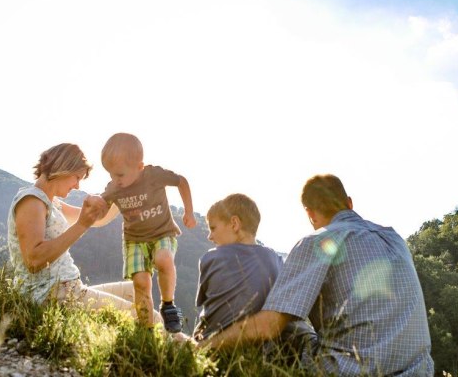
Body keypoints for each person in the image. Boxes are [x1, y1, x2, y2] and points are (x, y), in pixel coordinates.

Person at [199, 174, 434, 376]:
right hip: (419, 370)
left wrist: (202, 347)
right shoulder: (395, 239)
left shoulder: (318, 242)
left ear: (310, 213)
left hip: (346, 371)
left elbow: (268, 327)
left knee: (288, 323)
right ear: (349, 203)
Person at [7, 143, 161, 322]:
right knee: (152, 318)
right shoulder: (32, 201)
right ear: (64, 168)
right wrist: (81, 225)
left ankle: (178, 345)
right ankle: (182, 347)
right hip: (51, 293)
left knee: (136, 289)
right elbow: (33, 260)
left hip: (68, 287)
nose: (78, 185)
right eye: (77, 177)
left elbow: (98, 219)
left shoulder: (52, 203)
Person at [100, 133, 197, 333]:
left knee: (163, 259)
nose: (115, 180)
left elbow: (182, 181)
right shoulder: (114, 188)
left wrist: (188, 211)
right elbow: (102, 205)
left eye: (120, 174)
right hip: (134, 240)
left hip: (162, 232)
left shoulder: (153, 175)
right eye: (111, 175)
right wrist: (93, 205)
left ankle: (168, 305)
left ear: (139, 167)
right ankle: (146, 330)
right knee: (141, 282)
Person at [193, 193, 282, 340]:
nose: (210, 236)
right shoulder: (277, 261)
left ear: (234, 223)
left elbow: (203, 307)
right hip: (260, 349)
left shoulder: (210, 258)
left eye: (213, 228)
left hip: (209, 346)